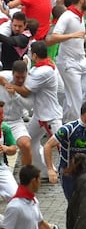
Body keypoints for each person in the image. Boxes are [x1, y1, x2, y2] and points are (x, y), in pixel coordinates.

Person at [6, 41, 62, 179]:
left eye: (30, 53)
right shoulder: (45, 66)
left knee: (62, 147)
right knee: (30, 142)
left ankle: (71, 172)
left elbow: (25, 91)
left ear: (35, 55)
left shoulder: (44, 71)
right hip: (39, 115)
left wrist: (8, 85)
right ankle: (43, 171)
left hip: (49, 117)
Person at [47, 0, 86, 122]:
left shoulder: (80, 17)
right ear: (81, 0)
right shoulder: (67, 16)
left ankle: (70, 119)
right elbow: (53, 37)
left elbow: (81, 38)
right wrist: (72, 35)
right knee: (75, 98)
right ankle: (75, 125)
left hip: (82, 61)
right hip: (68, 63)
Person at [0, 60, 33, 166]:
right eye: (17, 77)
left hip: (15, 121)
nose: (20, 80)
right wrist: (5, 83)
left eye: (23, 77)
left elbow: (29, 106)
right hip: (1, 120)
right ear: (12, 73)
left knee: (26, 145)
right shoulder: (4, 76)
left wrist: (15, 94)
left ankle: (26, 178)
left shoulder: (30, 84)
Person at [0, 100, 18, 202]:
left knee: (16, 198)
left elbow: (13, 149)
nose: (2, 118)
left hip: (1, 169)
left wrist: (6, 149)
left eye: (2, 115)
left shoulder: (5, 128)